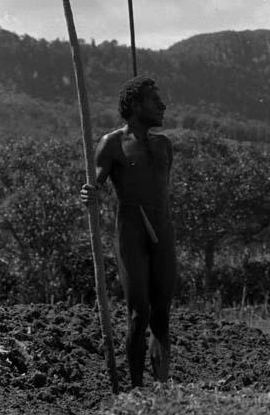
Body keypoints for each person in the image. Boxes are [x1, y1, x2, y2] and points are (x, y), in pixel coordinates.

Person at [80, 76, 176, 388]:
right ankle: (136, 391)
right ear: (136, 106)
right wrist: (88, 194)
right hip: (132, 232)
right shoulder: (112, 144)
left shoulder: (164, 146)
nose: (162, 106)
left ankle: (161, 388)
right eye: (154, 100)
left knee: (162, 312)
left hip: (163, 229)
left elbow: (159, 188)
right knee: (140, 313)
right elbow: (95, 185)